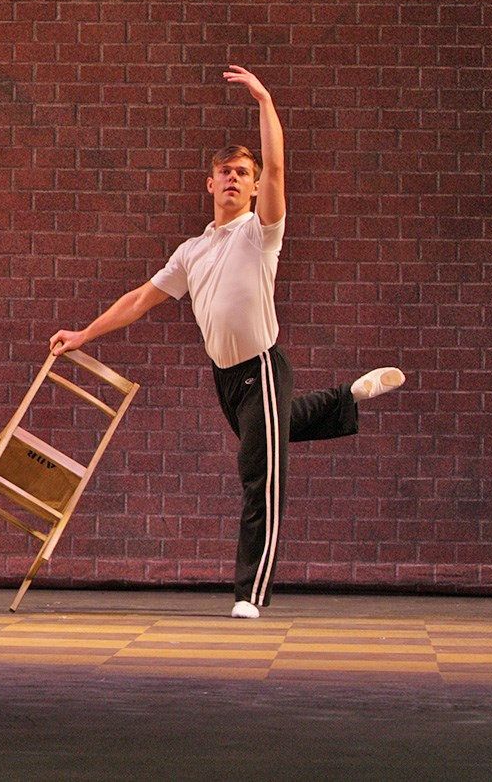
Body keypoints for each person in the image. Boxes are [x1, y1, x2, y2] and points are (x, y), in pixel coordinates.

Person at [49, 65, 405, 619]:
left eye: (244, 172)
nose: (235, 179)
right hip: (227, 379)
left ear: (254, 185)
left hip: (262, 364)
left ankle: (250, 593)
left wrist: (264, 99)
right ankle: (347, 398)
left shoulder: (260, 231)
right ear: (210, 183)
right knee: (273, 429)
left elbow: (280, 166)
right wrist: (84, 334)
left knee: (261, 475)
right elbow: (140, 299)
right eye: (226, 172)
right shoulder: (191, 251)